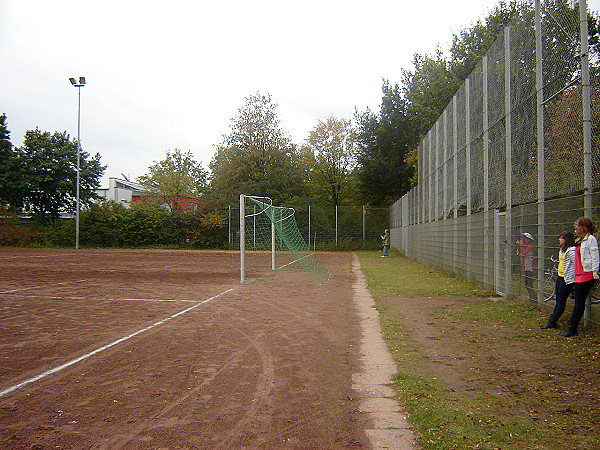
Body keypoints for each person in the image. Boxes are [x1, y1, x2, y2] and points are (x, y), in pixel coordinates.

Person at [560, 217, 600, 337]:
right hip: (578, 274)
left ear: (583, 226)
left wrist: (595, 272)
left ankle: (572, 327)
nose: (575, 227)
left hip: (586, 274)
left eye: (577, 225)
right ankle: (572, 326)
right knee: (577, 300)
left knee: (579, 301)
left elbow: (595, 256)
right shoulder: (580, 240)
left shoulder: (590, 239)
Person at [540, 231, 576, 329]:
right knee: (558, 299)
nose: (559, 240)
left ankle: (552, 321)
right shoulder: (562, 250)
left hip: (566, 278)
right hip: (560, 276)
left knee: (561, 300)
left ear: (566, 239)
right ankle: (552, 321)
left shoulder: (572, 250)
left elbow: (575, 264)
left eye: (561, 238)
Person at [516, 232, 535, 300]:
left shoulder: (529, 246)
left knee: (529, 284)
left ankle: (533, 298)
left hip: (529, 267)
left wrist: (520, 245)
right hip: (525, 267)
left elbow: (523, 253)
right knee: (526, 284)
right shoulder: (523, 246)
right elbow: (518, 253)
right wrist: (518, 246)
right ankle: (532, 297)